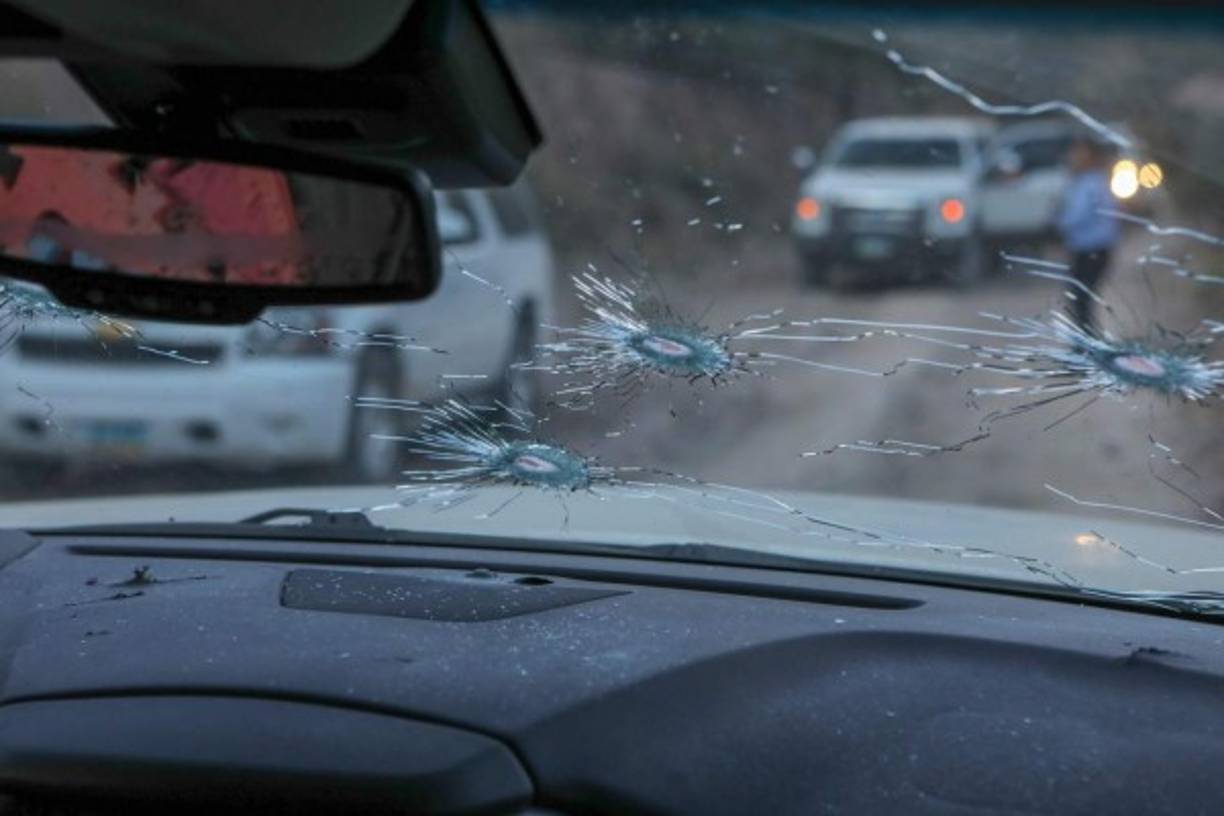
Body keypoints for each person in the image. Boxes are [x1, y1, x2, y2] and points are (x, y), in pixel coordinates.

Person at [1056, 136, 1121, 331]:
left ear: (1091, 156)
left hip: (1091, 250)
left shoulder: (1090, 183)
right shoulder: (1090, 181)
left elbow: (1076, 216)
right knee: (1080, 301)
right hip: (1092, 249)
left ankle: (1086, 346)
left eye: (1078, 153)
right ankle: (1086, 344)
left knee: (1081, 300)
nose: (1073, 157)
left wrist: (1058, 221)